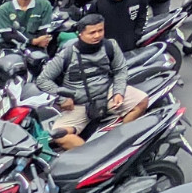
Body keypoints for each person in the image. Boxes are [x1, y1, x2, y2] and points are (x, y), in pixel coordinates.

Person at [36, 14, 148, 150]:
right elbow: (42, 80)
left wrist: (119, 92)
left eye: (100, 31)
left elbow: (120, 70)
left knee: (142, 101)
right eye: (92, 32)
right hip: (80, 105)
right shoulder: (67, 54)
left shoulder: (110, 46)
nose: (97, 35)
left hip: (107, 94)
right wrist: (62, 99)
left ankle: (122, 144)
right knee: (59, 136)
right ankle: (94, 159)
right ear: (80, 34)